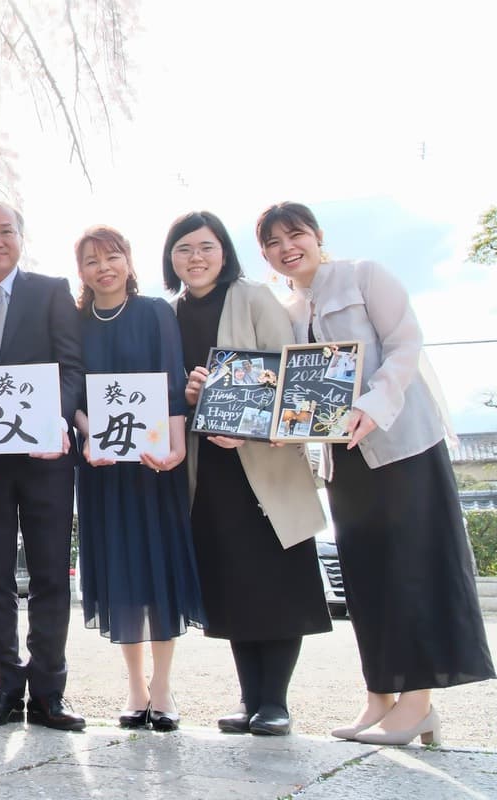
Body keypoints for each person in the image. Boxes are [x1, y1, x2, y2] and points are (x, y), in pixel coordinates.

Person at [257, 201, 495, 746]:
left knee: (415, 570)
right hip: (345, 460)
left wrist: (372, 404)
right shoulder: (290, 310)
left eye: (295, 234)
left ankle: (417, 705)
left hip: (403, 444)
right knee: (368, 578)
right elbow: (299, 390)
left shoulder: (366, 276)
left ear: (318, 236)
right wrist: (280, 425)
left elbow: (406, 344)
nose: (286, 247)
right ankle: (379, 699)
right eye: (273, 243)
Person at [165, 210, 331, 737]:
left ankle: (274, 702)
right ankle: (249, 699)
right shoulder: (169, 313)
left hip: (263, 464)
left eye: (206, 247)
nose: (196, 257)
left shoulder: (253, 296)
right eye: (184, 248)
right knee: (234, 584)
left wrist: (247, 425)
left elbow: (290, 376)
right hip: (208, 469)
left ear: (225, 252)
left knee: (276, 582)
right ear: (171, 258)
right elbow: (175, 393)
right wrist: (192, 397)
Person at [0, 201, 87, 731]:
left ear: (21, 237)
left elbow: (72, 364)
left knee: (52, 572)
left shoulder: (51, 292)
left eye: (6, 231)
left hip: (47, 457)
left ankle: (50, 690)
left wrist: (55, 421)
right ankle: (4, 686)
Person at [72, 225, 202, 733]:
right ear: (80, 271)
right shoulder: (77, 322)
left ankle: (164, 687)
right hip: (103, 470)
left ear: (128, 259)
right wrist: (88, 436)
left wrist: (174, 449)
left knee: (157, 572)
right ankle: (135, 687)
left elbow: (172, 383)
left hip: (154, 467)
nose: (104, 267)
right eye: (91, 260)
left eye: (112, 256)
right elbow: (74, 396)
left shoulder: (155, 313)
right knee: (120, 574)